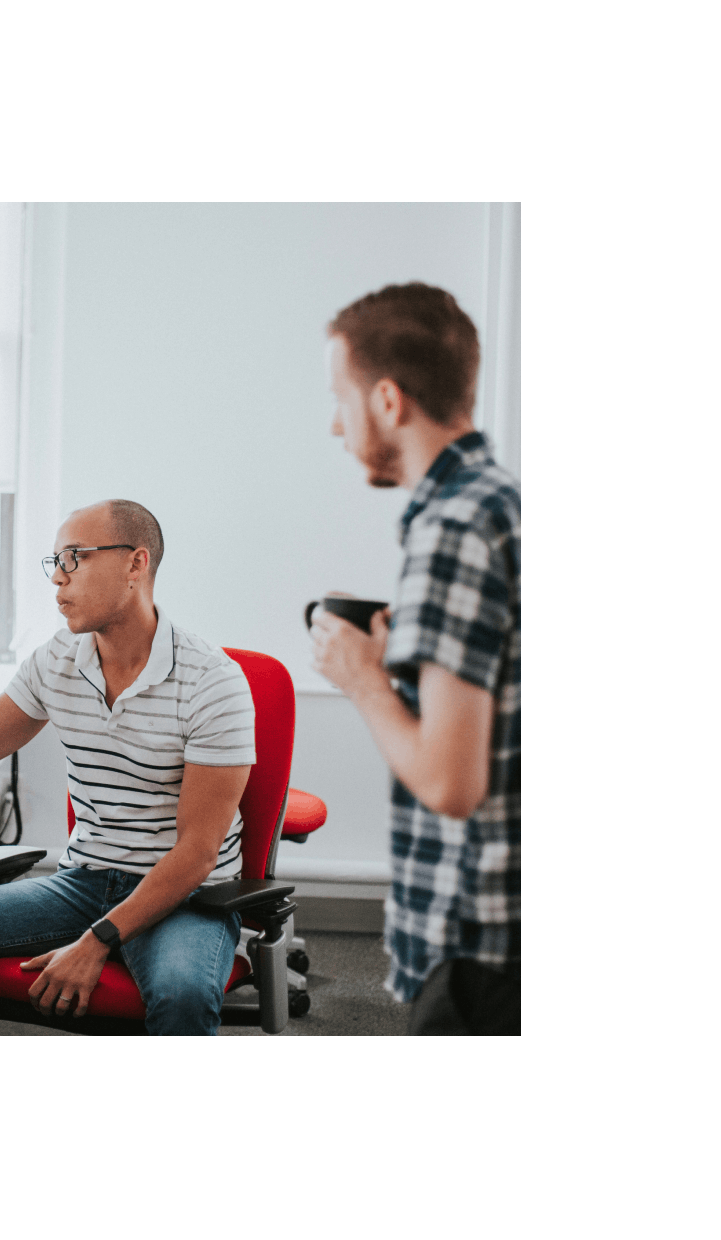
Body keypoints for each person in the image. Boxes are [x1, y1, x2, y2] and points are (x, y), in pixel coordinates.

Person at [0, 499, 256, 1035]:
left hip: (182, 896)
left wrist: (96, 942)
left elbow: (197, 853)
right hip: (87, 881)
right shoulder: (57, 660)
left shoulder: (213, 682)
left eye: (76, 558)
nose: (58, 579)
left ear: (136, 564)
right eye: (55, 562)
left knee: (183, 995)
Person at [310, 283, 520, 1035]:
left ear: (389, 401)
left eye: (342, 397)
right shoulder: (498, 502)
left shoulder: (454, 527)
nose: (336, 424)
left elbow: (450, 782)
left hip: (480, 941)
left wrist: (362, 678)